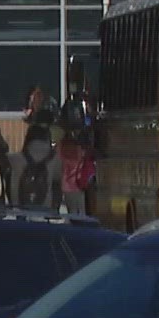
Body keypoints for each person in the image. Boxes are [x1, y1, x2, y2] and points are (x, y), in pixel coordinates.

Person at [57, 59, 97, 213]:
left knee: (74, 216)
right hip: (80, 185)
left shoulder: (61, 147)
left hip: (67, 188)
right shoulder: (83, 148)